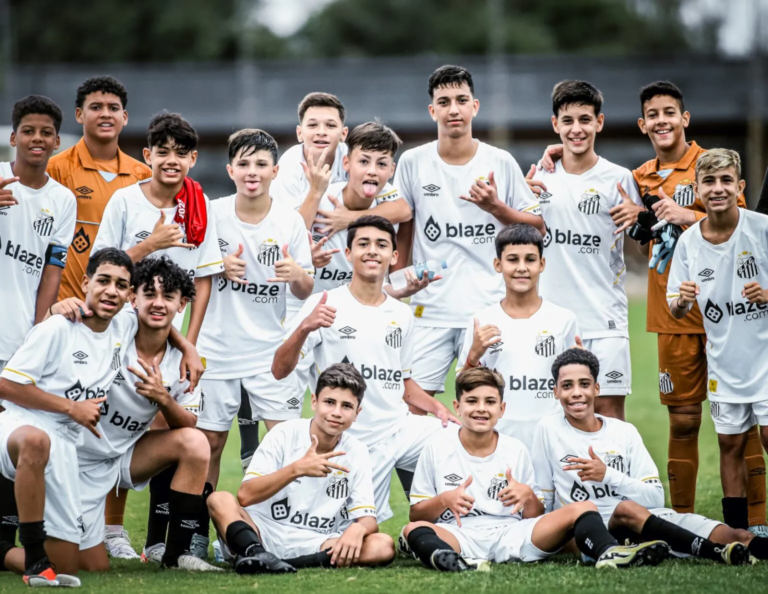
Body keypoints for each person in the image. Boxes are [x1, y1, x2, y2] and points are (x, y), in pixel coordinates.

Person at [537, 82, 766, 530]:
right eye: (653, 115)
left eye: (670, 113)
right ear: (642, 124)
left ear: (685, 118)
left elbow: (742, 227)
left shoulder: (711, 166)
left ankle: (756, 525)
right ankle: (680, 521)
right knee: (682, 421)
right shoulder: (637, 178)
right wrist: (556, 152)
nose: (662, 121)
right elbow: (637, 235)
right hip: (674, 313)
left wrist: (688, 217)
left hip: (737, 316)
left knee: (747, 425)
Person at [90, 112, 223, 558]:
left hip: (172, 335)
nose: (171, 160)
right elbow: (103, 267)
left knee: (169, 423)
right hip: (121, 329)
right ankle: (111, 530)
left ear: (193, 158)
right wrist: (152, 244)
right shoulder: (126, 201)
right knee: (114, 416)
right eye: (162, 151)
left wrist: (190, 341)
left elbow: (202, 280)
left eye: (180, 153)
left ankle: (166, 544)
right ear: (147, 156)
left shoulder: (198, 206)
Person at [273, 215, 456, 523]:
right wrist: (305, 327)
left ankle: (439, 523)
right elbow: (279, 369)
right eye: (363, 244)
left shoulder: (402, 313)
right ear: (348, 254)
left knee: (460, 436)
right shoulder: (324, 303)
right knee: (346, 529)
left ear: (394, 257)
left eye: (381, 244)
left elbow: (404, 383)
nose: (372, 251)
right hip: (348, 437)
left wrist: (437, 409)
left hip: (398, 429)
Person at [399, 366, 668, 572]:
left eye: (490, 402)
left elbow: (536, 515)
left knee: (584, 508)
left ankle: (609, 552)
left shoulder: (515, 448)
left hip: (512, 533)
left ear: (501, 409)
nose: (481, 409)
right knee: (413, 530)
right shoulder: (436, 447)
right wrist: (444, 500)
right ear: (457, 406)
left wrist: (527, 495)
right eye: (472, 402)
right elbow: (416, 512)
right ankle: (453, 562)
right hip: (460, 536)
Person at [532, 347, 766, 566]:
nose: (576, 393)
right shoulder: (548, 429)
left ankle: (658, 545)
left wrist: (608, 475)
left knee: (737, 535)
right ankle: (713, 553)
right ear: (555, 391)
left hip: (647, 517)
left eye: (584, 384)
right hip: (593, 530)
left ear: (597, 388)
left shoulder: (624, 431)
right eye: (567, 385)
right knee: (626, 509)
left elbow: (655, 497)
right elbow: (546, 500)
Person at [392, 64, 544, 402]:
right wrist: (397, 285)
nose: (454, 109)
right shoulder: (413, 162)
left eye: (462, 100)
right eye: (444, 102)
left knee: (486, 405)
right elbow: (405, 228)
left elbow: (538, 228)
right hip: (428, 310)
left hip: (486, 310)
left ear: (475, 106)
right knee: (411, 408)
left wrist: (495, 207)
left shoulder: (499, 162)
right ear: (432, 111)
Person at [193, 128, 314, 553]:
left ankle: (280, 533)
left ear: (275, 171)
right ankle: (194, 538)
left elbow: (305, 287)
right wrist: (213, 263)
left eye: (261, 164)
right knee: (208, 444)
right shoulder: (212, 213)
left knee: (285, 440)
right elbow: (190, 271)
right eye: (243, 163)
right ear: (230, 170)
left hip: (270, 353)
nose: (252, 172)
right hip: (216, 351)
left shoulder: (290, 220)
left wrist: (295, 274)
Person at [0, 248, 138, 586]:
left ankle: (6, 552)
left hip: (67, 443)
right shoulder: (58, 327)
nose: (111, 291)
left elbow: (155, 315)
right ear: (85, 282)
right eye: (103, 281)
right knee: (36, 440)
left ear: (129, 295)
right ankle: (32, 554)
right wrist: (71, 408)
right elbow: (4, 384)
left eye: (121, 285)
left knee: (75, 567)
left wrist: (189, 348)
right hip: (21, 425)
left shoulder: (123, 324)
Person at [527, 81, 643, 421]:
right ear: (555, 125)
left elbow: (646, 237)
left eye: (585, 119)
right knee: (548, 417)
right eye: (568, 121)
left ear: (599, 122)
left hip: (605, 318)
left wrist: (641, 217)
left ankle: (610, 477)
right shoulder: (538, 178)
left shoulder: (619, 178)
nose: (576, 129)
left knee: (608, 416)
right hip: (551, 320)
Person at [207, 363, 395, 573]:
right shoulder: (283, 433)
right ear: (314, 402)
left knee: (382, 545)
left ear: (357, 412)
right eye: (329, 402)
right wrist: (297, 469)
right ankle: (255, 552)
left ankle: (284, 563)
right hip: (262, 531)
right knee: (219, 499)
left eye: (347, 406)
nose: (336, 412)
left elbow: (368, 519)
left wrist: (358, 528)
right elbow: (245, 496)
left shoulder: (357, 450)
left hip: (316, 540)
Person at [667, 148, 768, 534]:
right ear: (697, 189)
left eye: (726, 180)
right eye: (709, 181)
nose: (718, 188)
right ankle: (739, 533)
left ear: (740, 187)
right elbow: (676, 305)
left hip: (765, 359)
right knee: (730, 444)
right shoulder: (689, 243)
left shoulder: (761, 228)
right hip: (725, 363)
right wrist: (683, 302)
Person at [456, 223, 580, 449]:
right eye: (513, 259)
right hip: (499, 439)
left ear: (542, 264)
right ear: (498, 264)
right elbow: (464, 386)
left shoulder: (563, 319)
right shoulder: (482, 319)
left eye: (530, 260)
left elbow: (576, 387)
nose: (522, 267)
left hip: (551, 439)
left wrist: (581, 367)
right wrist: (473, 355)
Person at [47, 76, 151, 302]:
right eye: (96, 107)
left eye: (113, 108)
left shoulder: (143, 175)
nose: (105, 114)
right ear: (79, 115)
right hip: (67, 306)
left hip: (119, 308)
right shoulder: (55, 169)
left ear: (124, 117)